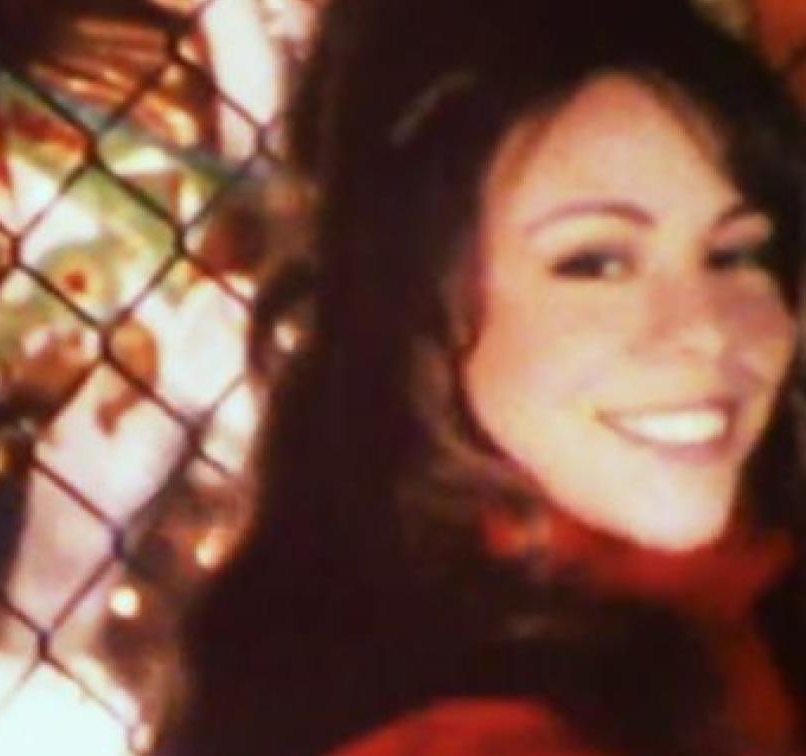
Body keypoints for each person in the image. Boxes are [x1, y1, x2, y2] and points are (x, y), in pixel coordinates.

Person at [159, 1, 806, 754]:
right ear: (416, 308)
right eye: (595, 263)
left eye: (735, 254)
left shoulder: (721, 605)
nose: (709, 329)